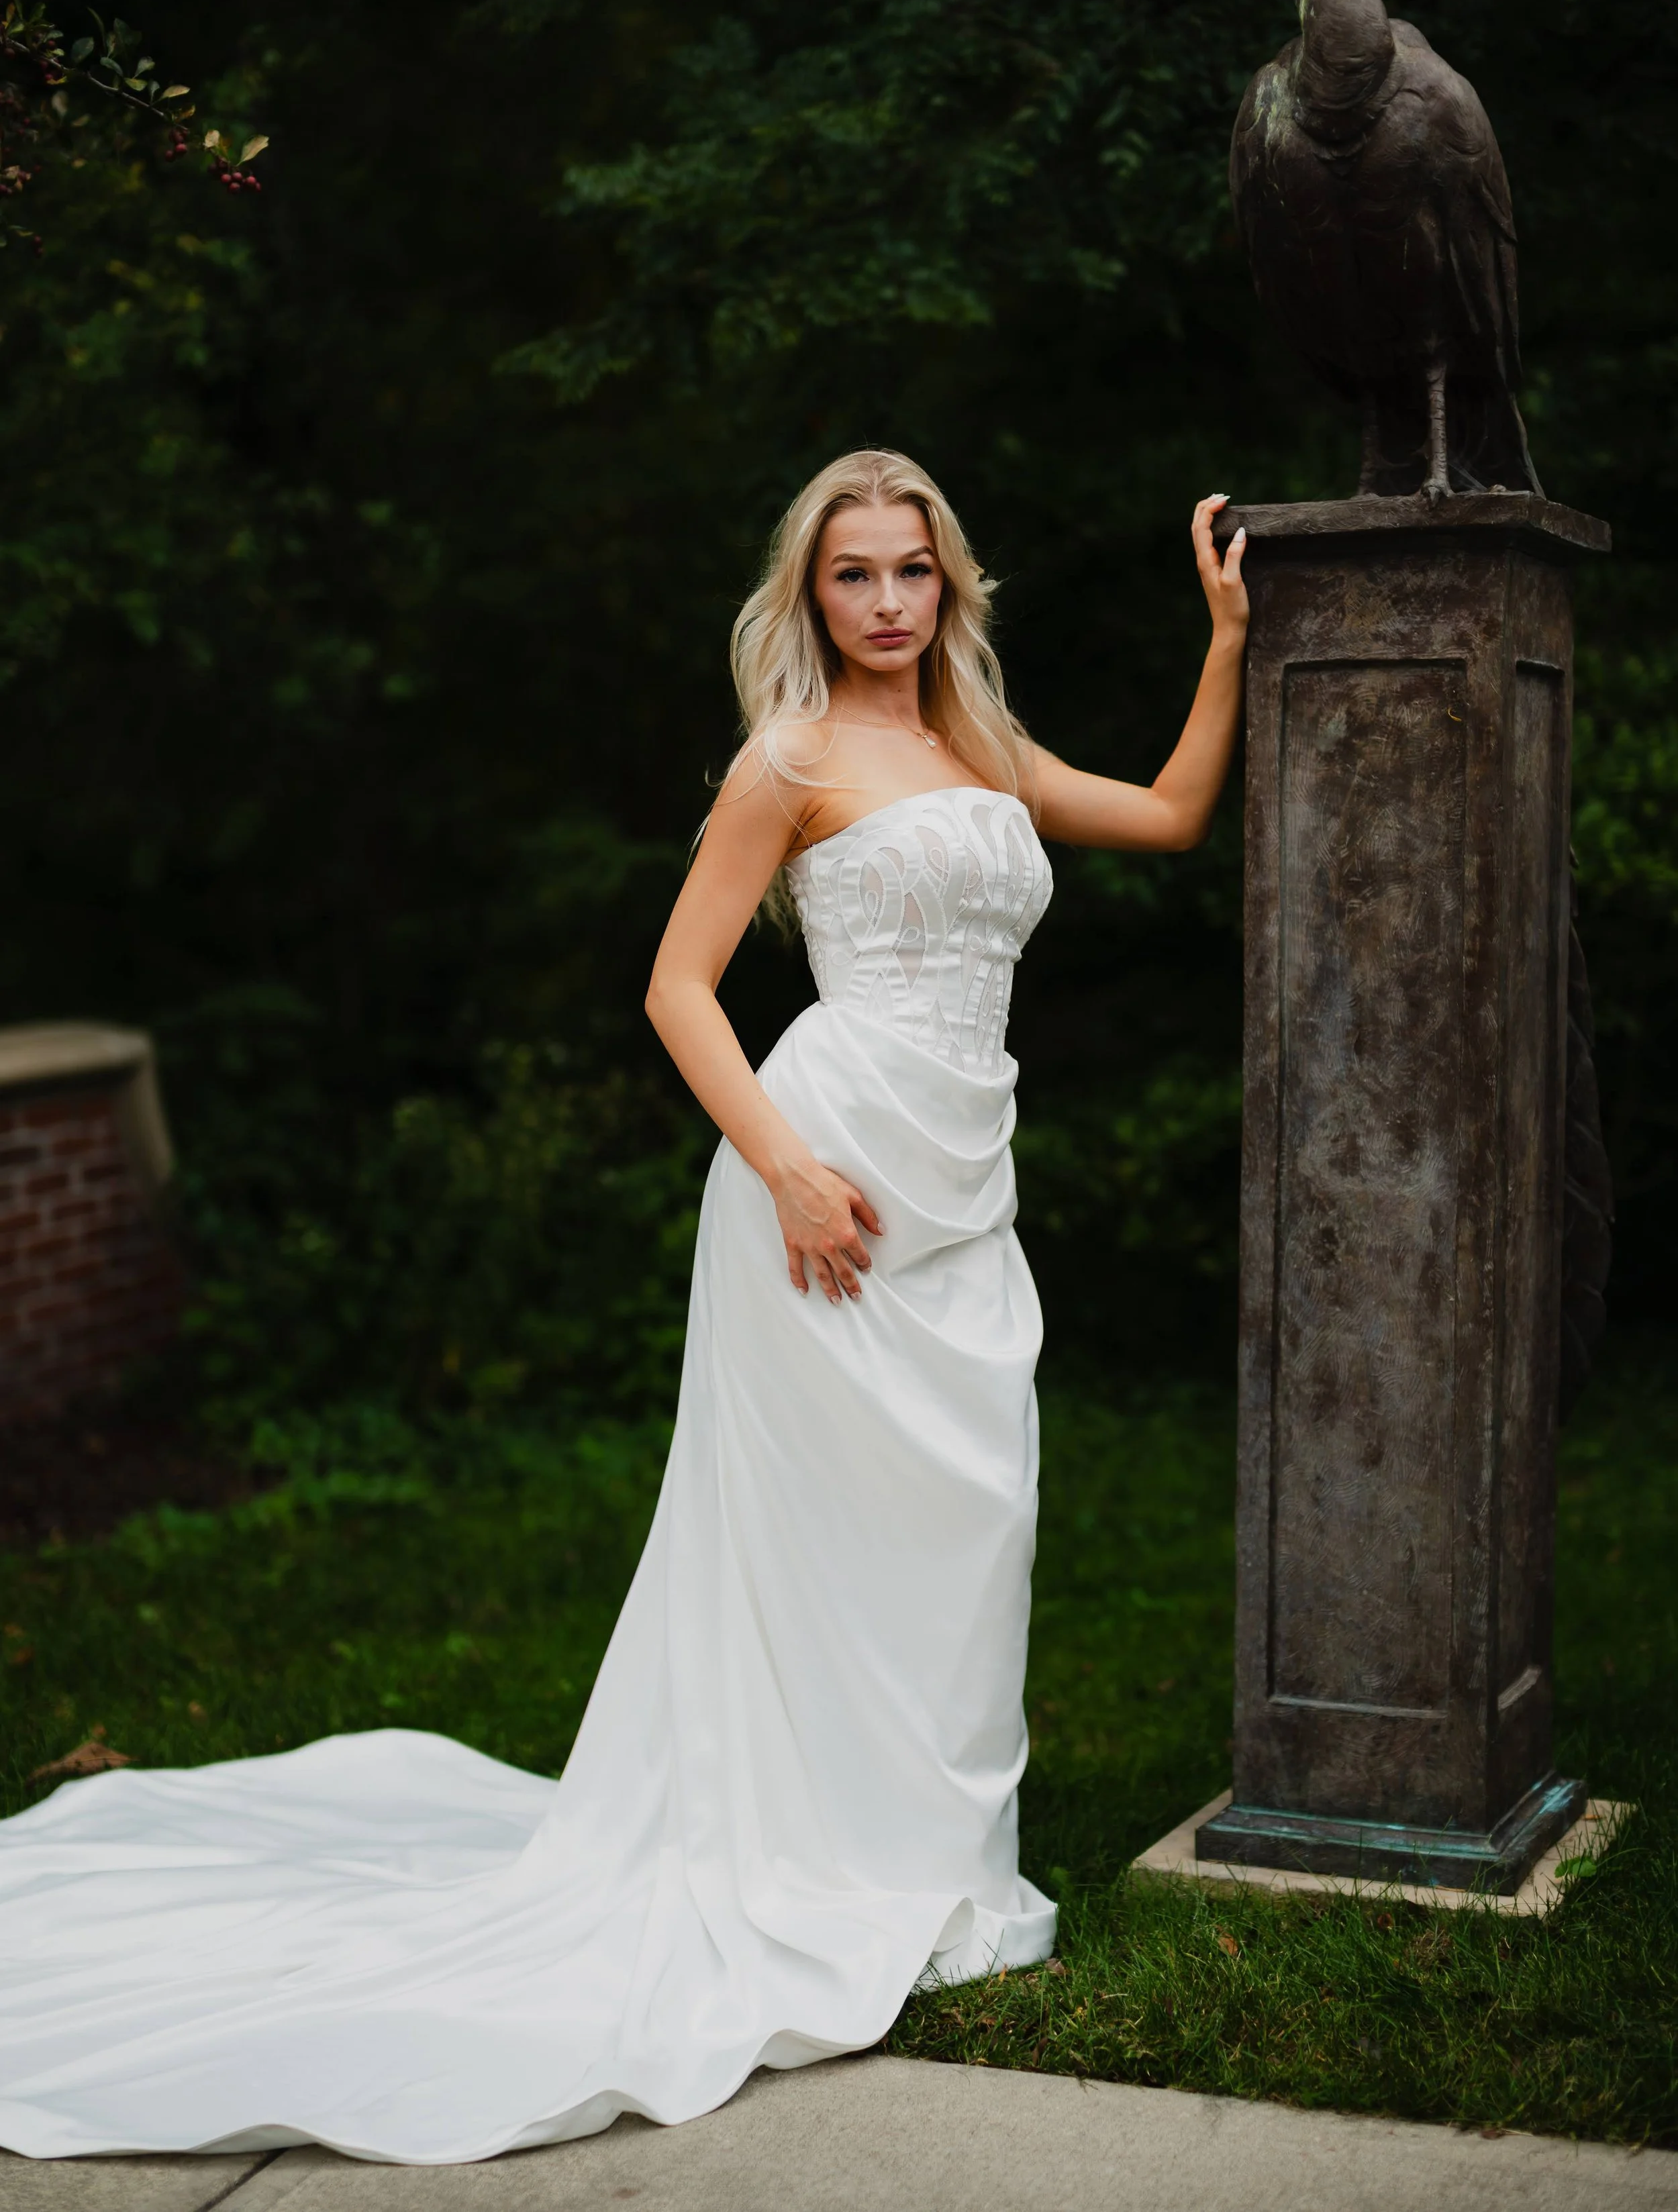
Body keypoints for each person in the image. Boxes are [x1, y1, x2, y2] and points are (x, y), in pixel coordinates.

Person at [0, 451, 1247, 2166]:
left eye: (909, 572)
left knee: (968, 1529)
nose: (885, 603)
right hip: (819, 1186)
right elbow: (675, 983)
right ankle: (815, 1864)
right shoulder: (788, 756)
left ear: (948, 585)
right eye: (851, 577)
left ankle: (932, 1865)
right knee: (810, 1547)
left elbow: (1175, 814)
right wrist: (792, 1169)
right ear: (809, 598)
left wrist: (1228, 638)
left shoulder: (983, 749)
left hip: (966, 1191)